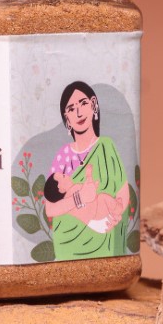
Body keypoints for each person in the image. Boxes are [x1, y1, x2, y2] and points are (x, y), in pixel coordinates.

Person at [42, 81, 130, 260]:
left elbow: (123, 194)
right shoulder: (63, 155)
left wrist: (116, 215)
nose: (79, 112)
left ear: (93, 105)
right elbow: (50, 209)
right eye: (71, 109)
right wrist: (80, 198)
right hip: (68, 244)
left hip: (105, 238)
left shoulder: (107, 147)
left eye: (83, 103)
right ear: (67, 118)